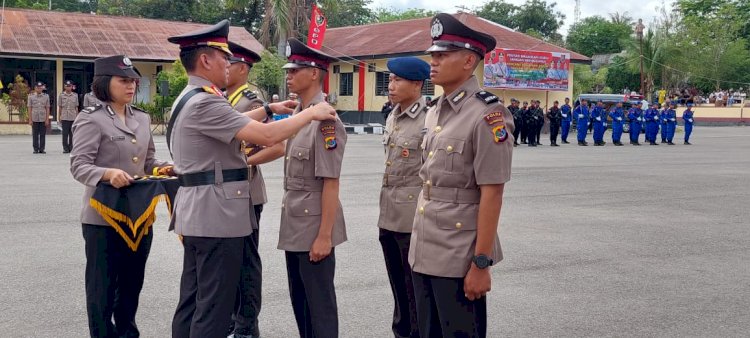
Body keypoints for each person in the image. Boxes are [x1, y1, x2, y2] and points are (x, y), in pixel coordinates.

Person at [167, 21, 337, 338]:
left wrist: (269, 108)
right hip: (216, 218)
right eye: (224, 58)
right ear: (205, 60)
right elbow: (267, 136)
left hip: (197, 213)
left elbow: (235, 122)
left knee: (191, 301)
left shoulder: (190, 96)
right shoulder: (207, 100)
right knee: (213, 309)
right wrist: (310, 114)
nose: (228, 65)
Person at [411, 13, 514, 337]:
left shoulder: (488, 113)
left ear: (469, 60)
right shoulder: (434, 111)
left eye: (443, 55)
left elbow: (492, 192)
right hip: (424, 245)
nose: (434, 61)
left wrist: (480, 263)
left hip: (459, 253)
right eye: (433, 55)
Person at [70, 54, 172, 337]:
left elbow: (148, 162)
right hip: (103, 216)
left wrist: (165, 168)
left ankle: (127, 332)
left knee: (131, 284)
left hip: (138, 216)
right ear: (105, 83)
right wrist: (107, 173)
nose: (131, 86)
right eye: (124, 80)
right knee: (102, 287)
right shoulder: (91, 119)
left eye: (133, 81)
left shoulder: (141, 117)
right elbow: (79, 166)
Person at [278, 38, 347, 338]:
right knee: (300, 303)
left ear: (315, 74)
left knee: (319, 307)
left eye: (296, 70)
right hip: (294, 222)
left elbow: (331, 183)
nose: (288, 75)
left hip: (314, 226)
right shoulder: (299, 114)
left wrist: (324, 236)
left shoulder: (325, 121)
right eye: (288, 70)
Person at [225, 41, 276, 338]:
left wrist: (243, 162)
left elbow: (275, 145)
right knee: (230, 260)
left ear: (242, 68)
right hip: (228, 193)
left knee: (246, 261)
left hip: (247, 192)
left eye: (228, 63)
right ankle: (234, 320)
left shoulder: (250, 98)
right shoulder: (222, 96)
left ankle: (247, 326)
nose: (223, 68)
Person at [378, 56, 430, 338]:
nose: (391, 85)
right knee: (398, 287)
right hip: (388, 216)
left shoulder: (428, 119)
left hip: (412, 221)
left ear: (417, 84)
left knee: (414, 291)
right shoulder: (393, 116)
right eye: (391, 80)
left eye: (398, 80)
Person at [27, 81, 50, 154]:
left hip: (43, 118)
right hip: (34, 118)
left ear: (42, 88)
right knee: (35, 135)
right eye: (38, 87)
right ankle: (35, 149)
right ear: (35, 88)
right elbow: (29, 108)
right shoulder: (31, 96)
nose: (39, 89)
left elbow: (47, 108)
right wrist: (30, 119)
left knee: (43, 134)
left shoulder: (46, 96)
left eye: (40, 88)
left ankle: (42, 149)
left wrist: (47, 119)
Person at [58, 80, 80, 153]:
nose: (68, 88)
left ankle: (71, 147)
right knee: (65, 133)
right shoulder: (61, 95)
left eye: (69, 86)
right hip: (64, 116)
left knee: (72, 133)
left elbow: (76, 107)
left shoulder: (75, 95)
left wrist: (77, 117)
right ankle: (65, 148)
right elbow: (60, 107)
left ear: (72, 87)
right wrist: (59, 117)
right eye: (67, 86)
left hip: (73, 116)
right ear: (64, 87)